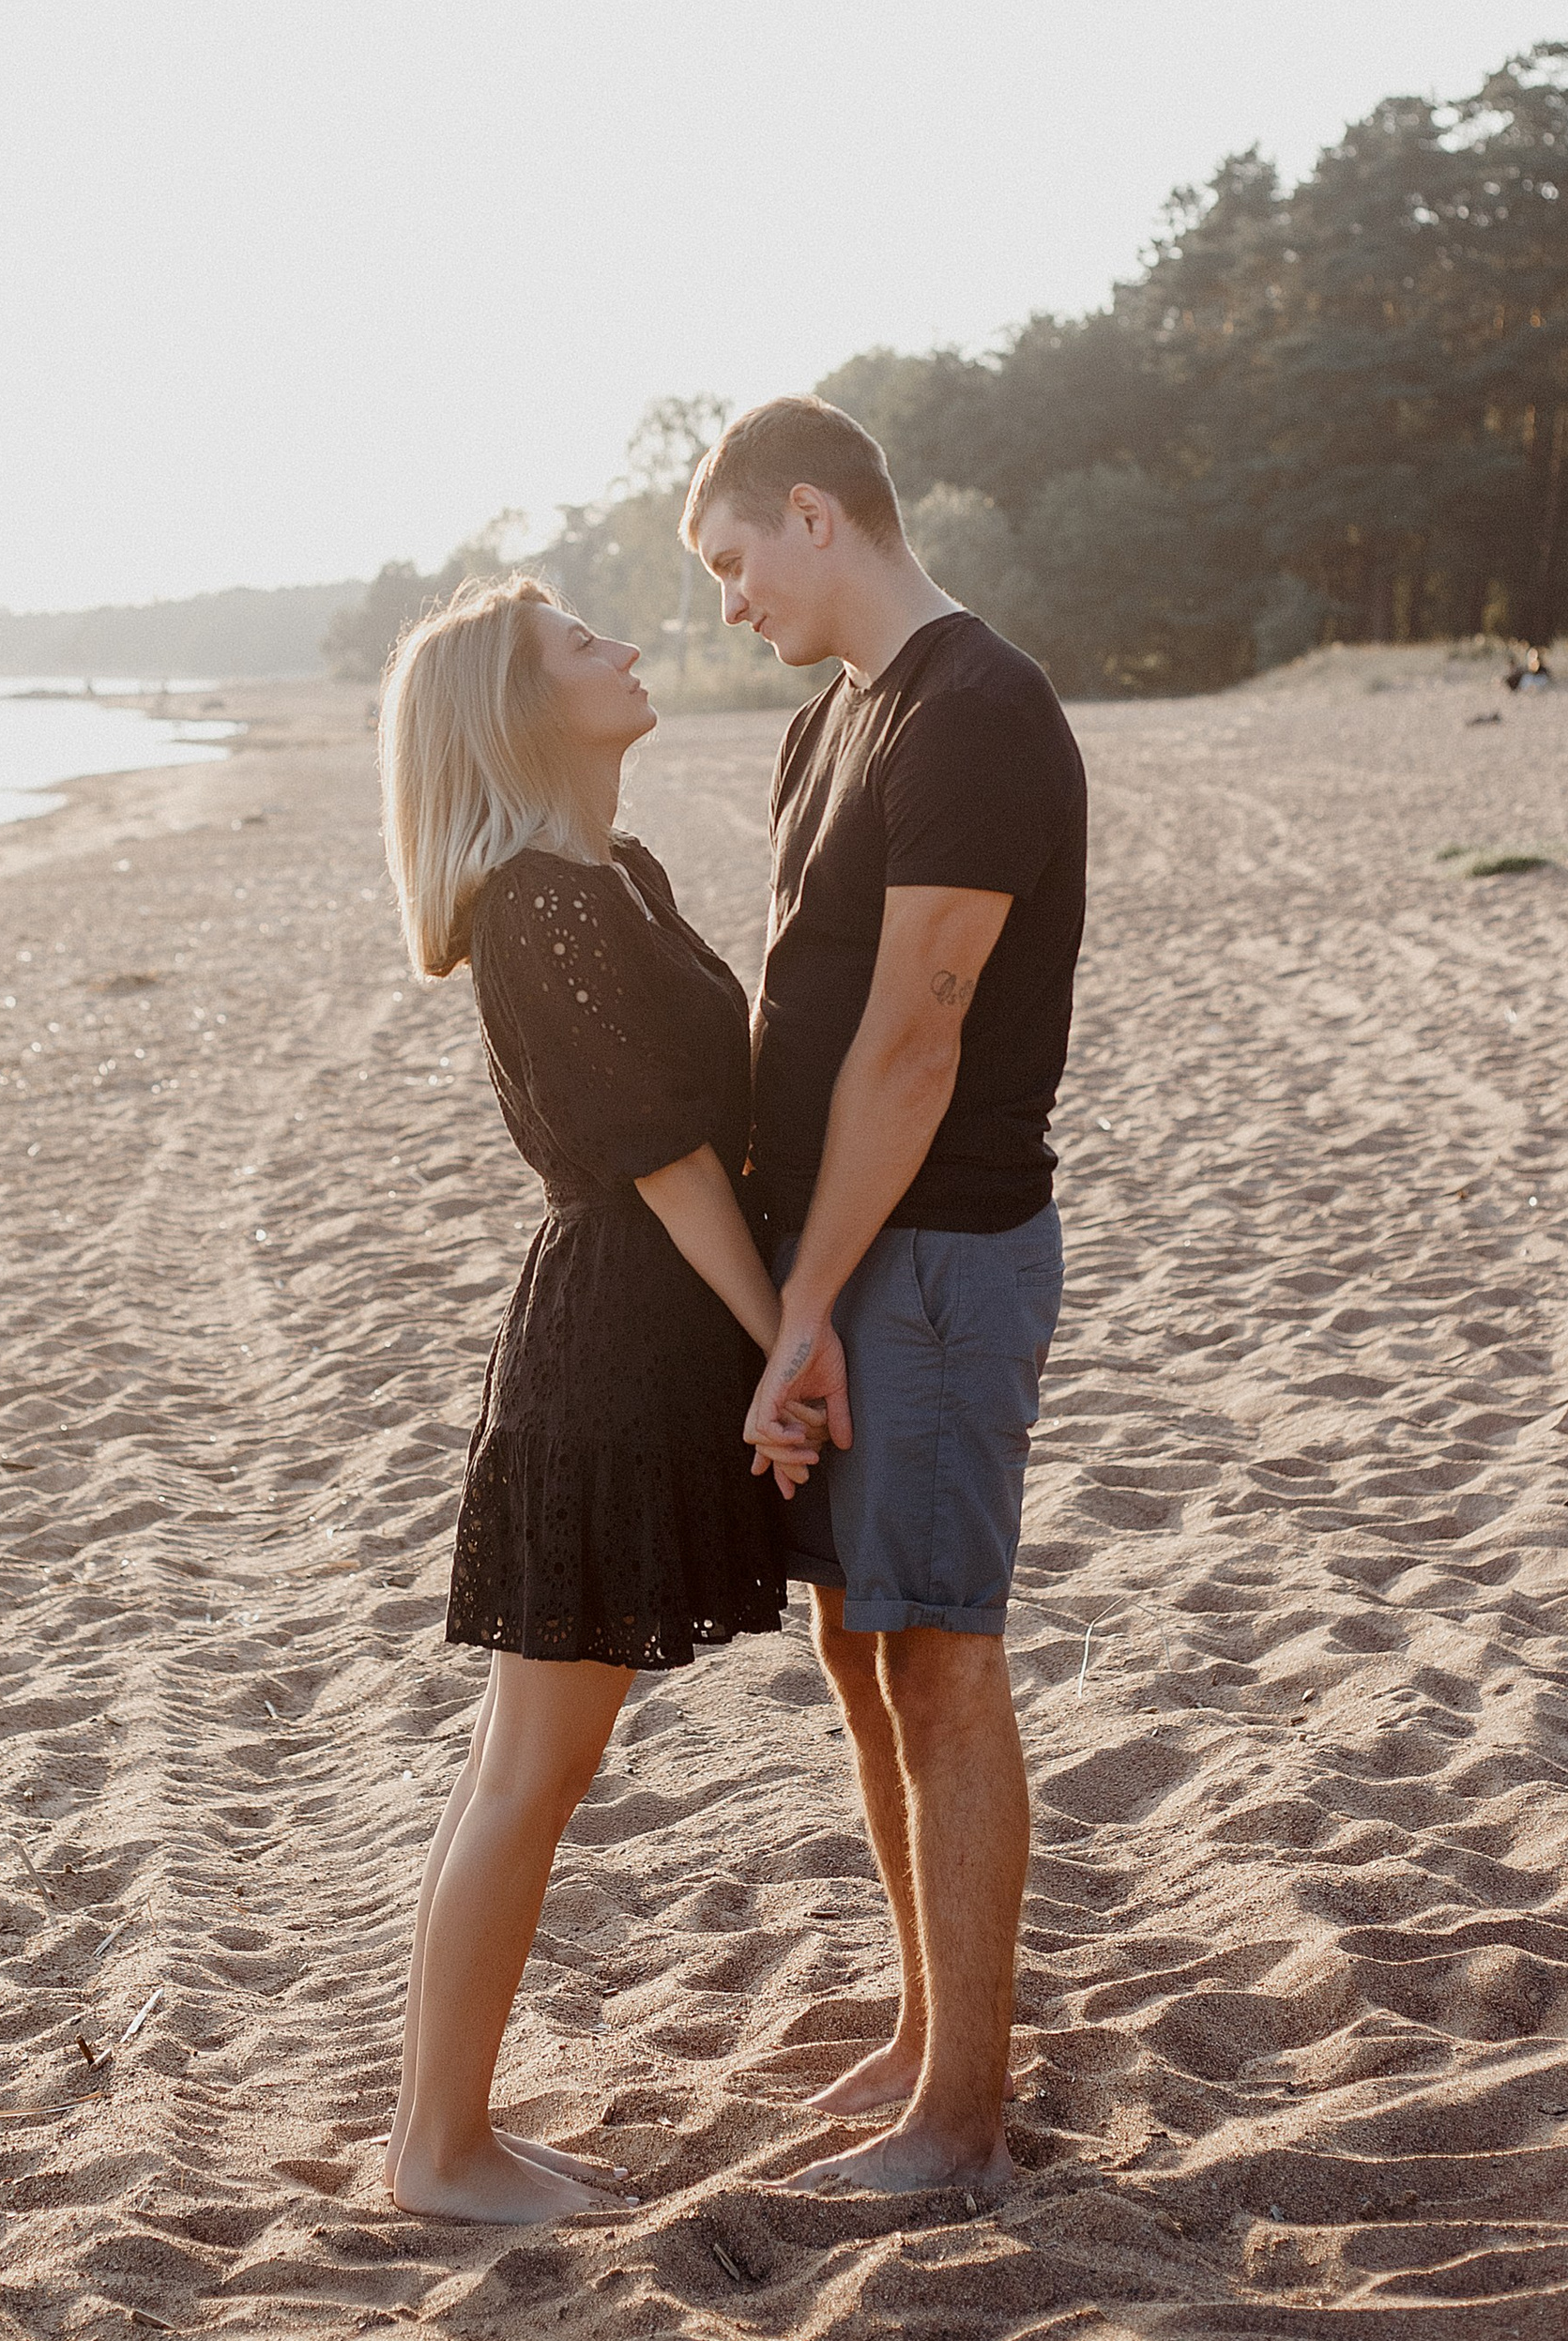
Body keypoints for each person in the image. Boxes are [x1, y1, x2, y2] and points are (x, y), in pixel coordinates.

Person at [684, 397, 1087, 2199]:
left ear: (812, 512)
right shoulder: (827, 723)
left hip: (933, 1263)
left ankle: (966, 2115)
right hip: (842, 1262)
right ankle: (931, 2024)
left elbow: (916, 1047)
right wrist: (787, 1284)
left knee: (941, 1660)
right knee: (862, 1650)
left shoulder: (980, 712)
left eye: (732, 562)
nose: (727, 602)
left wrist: (811, 1302)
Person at [375, 574, 788, 2224]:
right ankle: (438, 2152)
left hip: (644, 1328)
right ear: (522, 709)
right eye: (582, 646)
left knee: (523, 1767)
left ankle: (442, 2135)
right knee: (531, 1772)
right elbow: (668, 1157)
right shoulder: (538, 901)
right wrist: (783, 1338)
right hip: (617, 1346)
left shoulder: (613, 872)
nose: (623, 649)